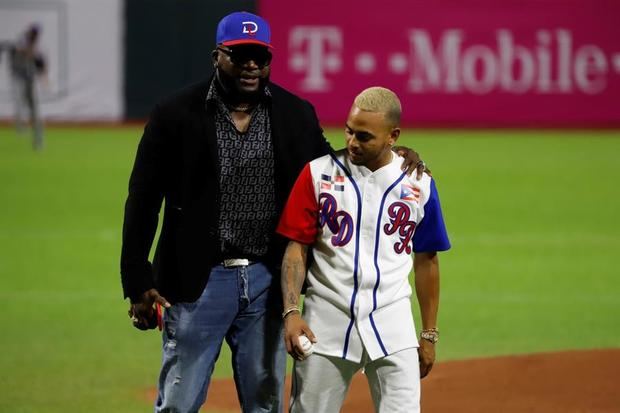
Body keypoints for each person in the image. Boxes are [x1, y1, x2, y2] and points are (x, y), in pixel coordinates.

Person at [120, 12, 426, 413]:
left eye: (260, 57)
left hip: (267, 280)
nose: (251, 65)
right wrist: (137, 279)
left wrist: (393, 155)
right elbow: (142, 198)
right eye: (240, 54)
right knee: (178, 404)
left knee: (264, 405)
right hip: (197, 280)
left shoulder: (293, 113)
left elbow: (333, 168)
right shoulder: (174, 115)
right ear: (217, 56)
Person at [277, 87, 451, 412]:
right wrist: (292, 312)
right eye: (348, 130)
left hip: (393, 323)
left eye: (365, 136)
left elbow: (427, 259)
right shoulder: (317, 174)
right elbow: (295, 249)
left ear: (393, 136)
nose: (352, 142)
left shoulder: (419, 184)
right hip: (325, 322)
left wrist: (428, 333)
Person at [9, 24, 46, 150]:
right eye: (33, 34)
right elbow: (18, 50)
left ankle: (38, 141)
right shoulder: (22, 41)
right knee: (19, 101)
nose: (34, 37)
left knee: (34, 110)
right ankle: (21, 125)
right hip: (18, 77)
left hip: (29, 79)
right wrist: (30, 51)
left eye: (36, 35)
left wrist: (44, 79)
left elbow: (41, 65)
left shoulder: (37, 48)